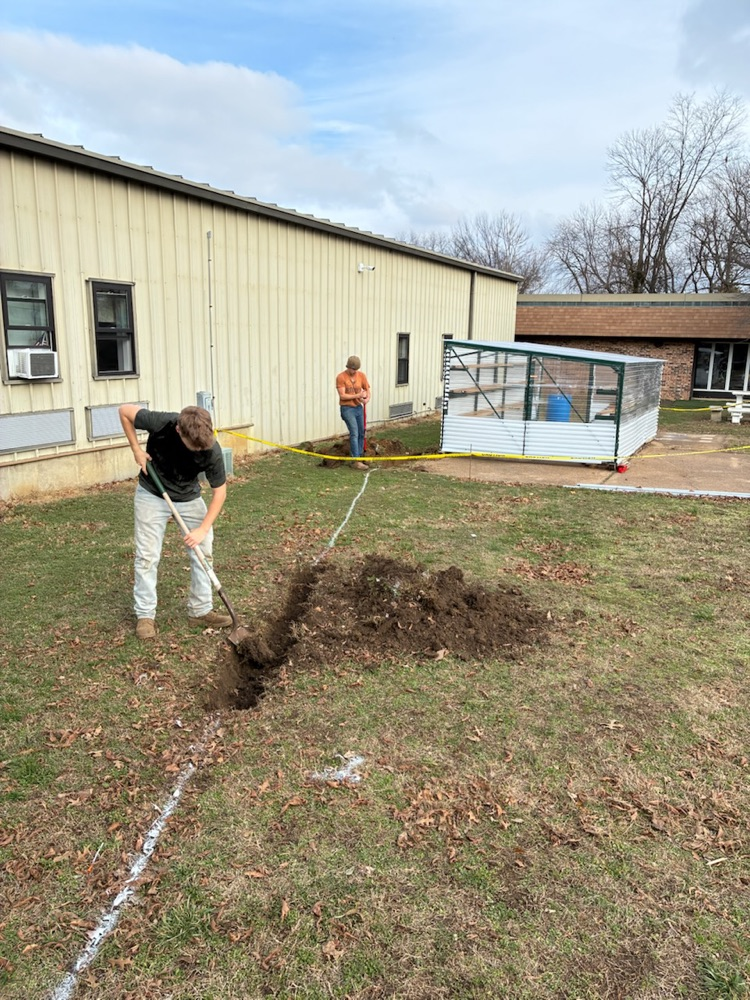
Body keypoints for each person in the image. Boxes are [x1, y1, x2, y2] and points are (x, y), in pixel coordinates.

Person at [118, 403, 233, 640]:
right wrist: (136, 450)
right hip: (152, 493)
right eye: (194, 448)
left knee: (204, 552)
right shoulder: (161, 423)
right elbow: (124, 411)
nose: (199, 451)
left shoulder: (211, 448)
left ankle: (200, 611)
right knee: (147, 556)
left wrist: (202, 529)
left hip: (189, 496)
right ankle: (145, 616)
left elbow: (219, 493)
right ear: (179, 431)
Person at [336, 355, 371, 470]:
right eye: (352, 369)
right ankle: (355, 460)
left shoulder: (361, 376)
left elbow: (367, 389)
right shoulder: (341, 377)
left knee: (361, 432)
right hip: (347, 409)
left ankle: (360, 455)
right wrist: (358, 395)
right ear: (348, 367)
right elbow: (343, 395)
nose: (354, 371)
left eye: (356, 369)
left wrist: (366, 398)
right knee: (354, 432)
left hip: (358, 408)